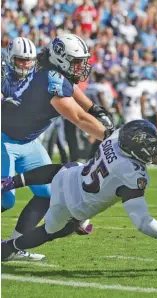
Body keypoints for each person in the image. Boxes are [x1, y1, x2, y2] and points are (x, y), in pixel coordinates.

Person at [1, 120, 157, 261]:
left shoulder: (116, 137)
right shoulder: (132, 174)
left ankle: (10, 182)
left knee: (65, 167)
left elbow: (136, 151)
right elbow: (142, 221)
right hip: (73, 205)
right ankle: (9, 248)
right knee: (49, 231)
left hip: (70, 177)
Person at [1, 34, 114, 260]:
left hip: (29, 142)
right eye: (76, 61)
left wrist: (94, 108)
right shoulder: (47, 77)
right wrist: (113, 138)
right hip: (4, 139)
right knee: (6, 199)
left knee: (47, 193)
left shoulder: (50, 72)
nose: (81, 67)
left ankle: (10, 248)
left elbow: (70, 87)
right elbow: (78, 119)